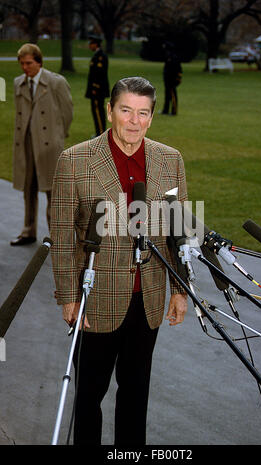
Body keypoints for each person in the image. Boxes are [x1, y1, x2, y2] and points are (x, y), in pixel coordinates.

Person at [50, 76, 188, 445]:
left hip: (149, 297)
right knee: (89, 396)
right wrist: (68, 296)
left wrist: (180, 289)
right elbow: (62, 235)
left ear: (152, 117)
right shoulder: (75, 160)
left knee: (136, 393)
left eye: (143, 113)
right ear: (110, 111)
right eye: (126, 110)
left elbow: (177, 232)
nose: (134, 121)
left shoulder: (170, 160)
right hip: (96, 298)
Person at [10, 43, 73, 246]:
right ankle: (28, 231)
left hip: (49, 145)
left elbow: (67, 112)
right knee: (29, 189)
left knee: (52, 191)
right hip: (26, 144)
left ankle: (56, 236)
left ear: (39, 62)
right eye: (21, 63)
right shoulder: (18, 83)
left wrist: (58, 137)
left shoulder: (56, 82)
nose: (24, 68)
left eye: (28, 63)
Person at [85, 34, 110, 136]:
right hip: (95, 89)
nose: (89, 46)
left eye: (91, 43)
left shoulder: (101, 57)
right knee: (96, 111)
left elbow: (100, 74)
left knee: (98, 111)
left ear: (95, 44)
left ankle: (100, 133)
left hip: (98, 89)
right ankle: (99, 132)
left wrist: (95, 87)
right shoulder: (96, 55)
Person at [161, 43, 182, 116]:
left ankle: (174, 111)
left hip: (172, 79)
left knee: (173, 95)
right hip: (167, 78)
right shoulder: (168, 56)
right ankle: (165, 110)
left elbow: (178, 69)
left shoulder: (174, 57)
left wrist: (178, 78)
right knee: (167, 94)